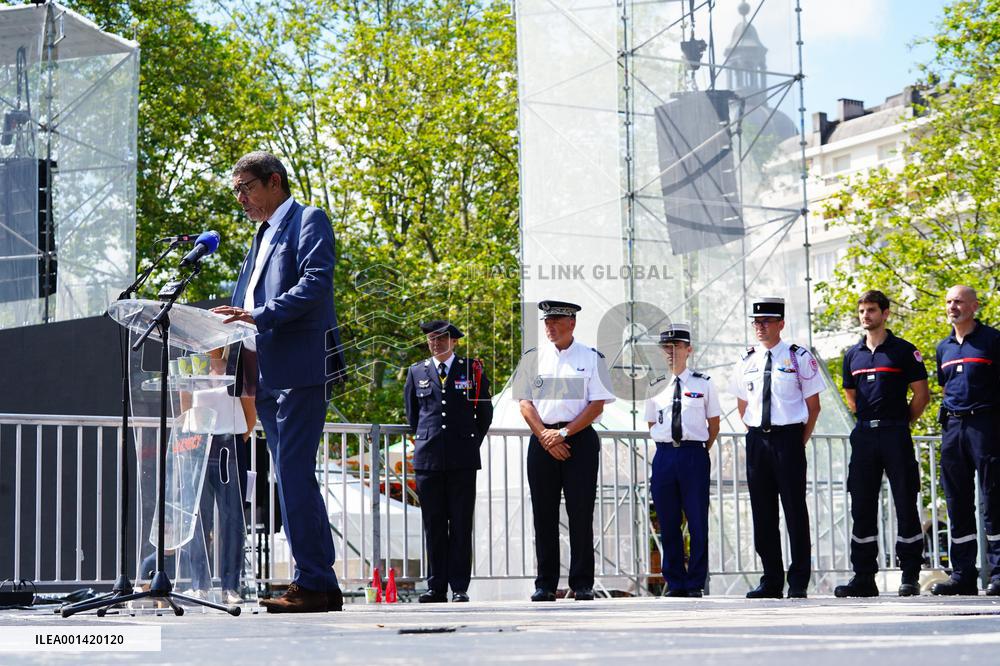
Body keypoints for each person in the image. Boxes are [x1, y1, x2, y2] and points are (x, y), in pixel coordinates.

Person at [212, 151, 347, 613]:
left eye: (245, 187)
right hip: (263, 371)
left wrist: (257, 315)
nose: (241, 198)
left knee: (291, 474)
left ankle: (312, 582)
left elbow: (315, 285)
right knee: (292, 477)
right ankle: (319, 583)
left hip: (301, 367)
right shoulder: (261, 235)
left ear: (274, 181)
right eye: (236, 191)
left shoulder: (308, 220)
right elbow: (244, 299)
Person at [514, 300, 615, 602]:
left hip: (578, 439)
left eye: (556, 321)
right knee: (543, 514)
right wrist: (546, 436)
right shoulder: (532, 358)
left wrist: (564, 433)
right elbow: (524, 402)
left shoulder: (591, 358)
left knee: (580, 512)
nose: (550, 327)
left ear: (571, 323)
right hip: (542, 437)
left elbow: (597, 404)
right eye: (546, 322)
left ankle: (582, 582)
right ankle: (545, 583)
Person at [834, 290, 929, 598]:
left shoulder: (903, 351)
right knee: (861, 505)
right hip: (864, 436)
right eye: (862, 311)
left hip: (895, 434)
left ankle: (910, 574)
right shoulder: (853, 354)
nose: (866, 316)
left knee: (905, 502)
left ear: (885, 313)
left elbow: (921, 395)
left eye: (872, 310)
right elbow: (851, 396)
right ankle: (863, 576)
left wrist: (900, 423)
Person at [730, 297, 826, 599]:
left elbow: (814, 406)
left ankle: (798, 580)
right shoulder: (747, 359)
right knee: (762, 511)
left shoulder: (797, 356)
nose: (760, 327)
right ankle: (770, 578)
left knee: (795, 510)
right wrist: (758, 433)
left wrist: (798, 440)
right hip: (758, 439)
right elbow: (742, 404)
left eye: (767, 321)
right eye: (756, 322)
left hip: (789, 438)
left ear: (781, 324)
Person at [404, 320, 493, 603]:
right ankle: (436, 586)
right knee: (433, 524)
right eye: (432, 339)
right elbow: (412, 416)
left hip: (462, 458)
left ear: (454, 341)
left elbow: (484, 413)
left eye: (442, 339)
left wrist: (468, 442)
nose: (436, 343)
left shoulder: (472, 370)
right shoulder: (416, 371)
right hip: (428, 458)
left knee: (460, 523)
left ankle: (459, 587)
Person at [931, 285, 1000, 596]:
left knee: (993, 500)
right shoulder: (943, 347)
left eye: (958, 301)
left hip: (986, 426)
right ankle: (963, 575)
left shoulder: (992, 341)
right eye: (948, 301)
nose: (952, 306)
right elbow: (945, 387)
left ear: (974, 306)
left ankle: (998, 574)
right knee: (957, 503)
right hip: (953, 428)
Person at [644, 323, 720, 597]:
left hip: (693, 454)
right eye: (666, 347)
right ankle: (675, 581)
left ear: (689, 350)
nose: (670, 352)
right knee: (668, 520)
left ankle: (695, 581)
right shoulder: (655, 386)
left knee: (697, 521)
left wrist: (699, 450)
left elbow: (713, 424)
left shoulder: (703, 383)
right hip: (665, 455)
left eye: (676, 346)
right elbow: (652, 422)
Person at [188, 346, 258, 604]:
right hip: (199, 443)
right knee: (198, 517)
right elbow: (185, 409)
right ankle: (199, 584)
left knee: (232, 518)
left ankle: (231, 586)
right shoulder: (193, 367)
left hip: (230, 444)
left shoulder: (236, 367)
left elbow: (250, 411)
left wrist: (238, 439)